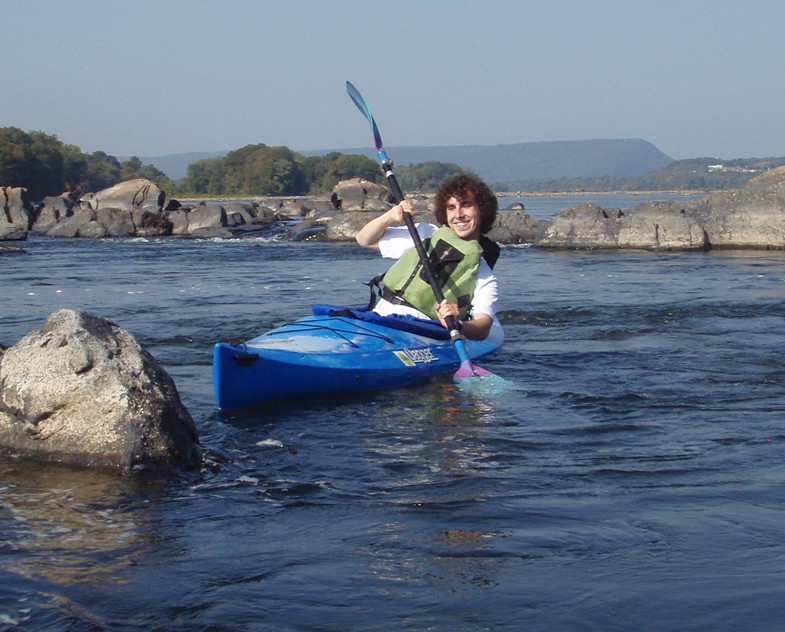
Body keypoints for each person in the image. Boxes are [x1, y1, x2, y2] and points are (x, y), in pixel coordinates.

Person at [355, 174, 501, 340]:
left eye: (466, 205)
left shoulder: (483, 273)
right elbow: (364, 239)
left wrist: (457, 323)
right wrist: (390, 217)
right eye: (451, 208)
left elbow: (482, 329)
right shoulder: (424, 235)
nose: (458, 214)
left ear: (482, 210)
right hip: (380, 318)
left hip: (421, 333)